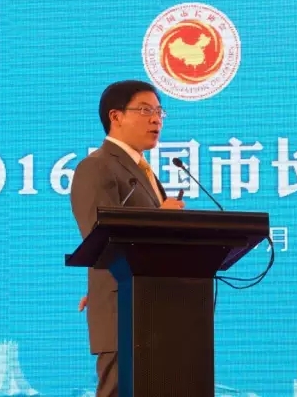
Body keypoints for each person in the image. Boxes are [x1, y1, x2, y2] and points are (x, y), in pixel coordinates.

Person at [69, 80, 185, 397]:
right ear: (116, 116)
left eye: (160, 112)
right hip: (123, 311)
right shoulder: (97, 167)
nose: (156, 119)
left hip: (153, 307)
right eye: (146, 110)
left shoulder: (142, 170)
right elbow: (101, 238)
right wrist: (161, 218)